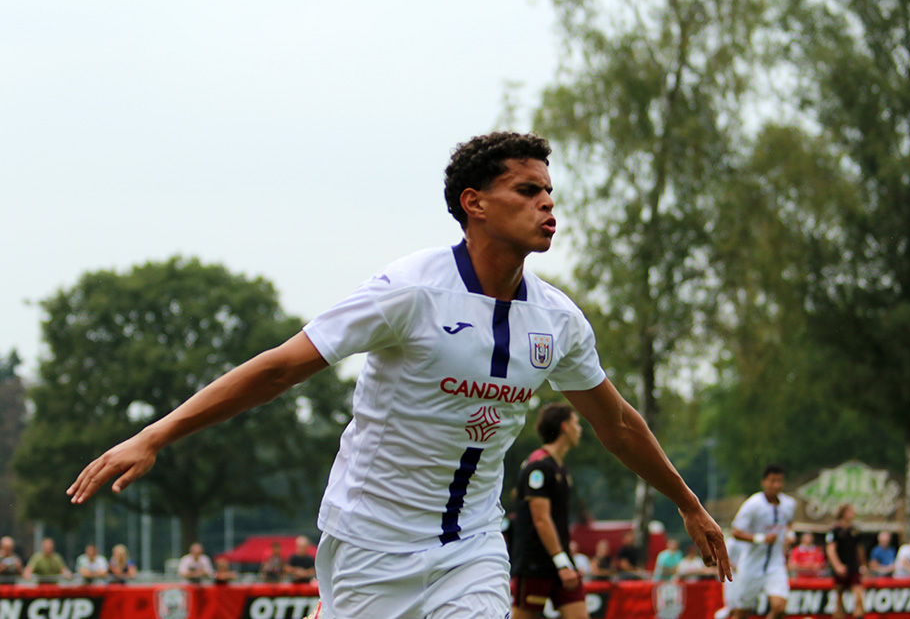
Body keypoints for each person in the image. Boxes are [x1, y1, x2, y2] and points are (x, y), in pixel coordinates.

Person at [66, 131, 731, 618]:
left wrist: (687, 501)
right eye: (527, 191)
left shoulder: (557, 319)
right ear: (475, 202)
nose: (547, 206)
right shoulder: (409, 290)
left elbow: (615, 420)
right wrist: (155, 433)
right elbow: (278, 368)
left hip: (471, 547)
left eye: (550, 192)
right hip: (368, 544)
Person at [510, 403, 586, 619]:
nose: (579, 429)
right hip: (536, 562)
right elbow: (541, 519)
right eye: (576, 423)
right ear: (564, 427)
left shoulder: (560, 467)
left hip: (561, 560)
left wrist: (564, 559)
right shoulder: (538, 466)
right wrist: (561, 562)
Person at [728, 463, 797, 619]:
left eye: (780, 481)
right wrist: (761, 538)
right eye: (773, 481)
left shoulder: (789, 504)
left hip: (775, 564)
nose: (776, 485)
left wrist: (789, 534)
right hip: (752, 565)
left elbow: (789, 522)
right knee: (742, 612)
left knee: (779, 607)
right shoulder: (753, 504)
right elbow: (735, 532)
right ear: (764, 482)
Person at [825, 503, 866, 619]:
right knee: (839, 599)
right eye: (851, 511)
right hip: (841, 568)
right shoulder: (834, 530)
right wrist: (837, 566)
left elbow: (860, 549)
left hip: (853, 567)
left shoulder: (855, 530)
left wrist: (863, 564)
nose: (853, 514)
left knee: (859, 596)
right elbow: (830, 549)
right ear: (844, 513)